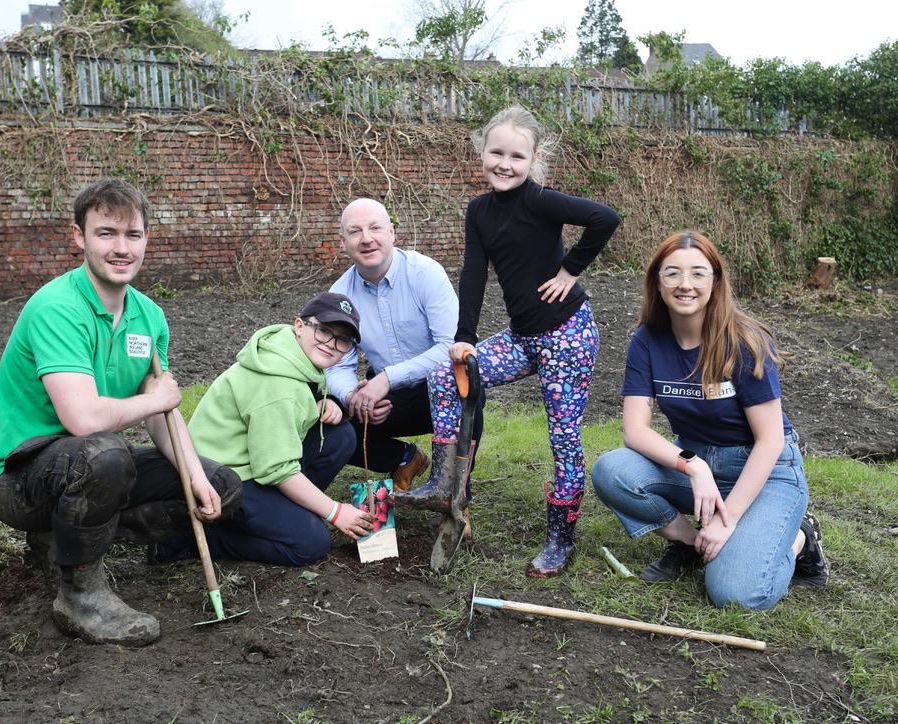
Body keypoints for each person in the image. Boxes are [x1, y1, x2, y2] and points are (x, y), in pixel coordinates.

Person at [0, 178, 243, 647]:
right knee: (104, 455)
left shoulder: (149, 317)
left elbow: (163, 414)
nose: (121, 248)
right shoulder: (57, 307)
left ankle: (65, 543)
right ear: (79, 237)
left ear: (146, 240)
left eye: (132, 235)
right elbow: (84, 420)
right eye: (106, 234)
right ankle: (80, 597)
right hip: (17, 478)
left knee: (223, 485)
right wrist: (158, 398)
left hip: (85, 462)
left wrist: (194, 475)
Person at [392, 106, 621, 578]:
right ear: (482, 152)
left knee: (562, 437)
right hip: (521, 337)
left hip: (567, 336)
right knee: (444, 377)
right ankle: (444, 482)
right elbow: (474, 273)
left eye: (517, 156)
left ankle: (560, 539)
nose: (504, 163)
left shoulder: (541, 201)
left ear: (532, 159)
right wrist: (465, 338)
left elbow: (605, 218)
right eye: (496, 152)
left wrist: (569, 271)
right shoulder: (479, 210)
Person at [590, 231, 829, 610]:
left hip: (766, 471)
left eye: (698, 273)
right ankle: (689, 544)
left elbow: (770, 440)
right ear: (657, 281)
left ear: (716, 282)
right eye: (672, 273)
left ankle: (801, 539)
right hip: (699, 464)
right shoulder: (647, 340)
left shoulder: (744, 341)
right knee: (612, 470)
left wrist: (728, 518)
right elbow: (634, 430)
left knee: (736, 595)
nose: (685, 284)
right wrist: (694, 465)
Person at [161, 292, 374, 567]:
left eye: (342, 339)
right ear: (300, 326)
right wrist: (335, 511)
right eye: (323, 331)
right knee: (310, 543)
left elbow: (293, 409)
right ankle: (191, 537)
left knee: (341, 436)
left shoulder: (290, 356)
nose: (331, 344)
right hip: (222, 478)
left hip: (251, 461)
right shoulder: (276, 385)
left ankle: (287, 510)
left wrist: (324, 400)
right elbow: (276, 469)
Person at [328, 197, 484, 494]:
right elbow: (337, 365)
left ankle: (455, 495)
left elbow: (449, 346)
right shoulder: (340, 296)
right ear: (343, 241)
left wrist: (386, 379)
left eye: (375, 228)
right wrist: (353, 397)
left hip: (442, 387)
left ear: (392, 233)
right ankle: (405, 458)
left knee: (470, 392)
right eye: (355, 231)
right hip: (389, 401)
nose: (367, 239)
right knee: (333, 430)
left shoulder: (425, 273)